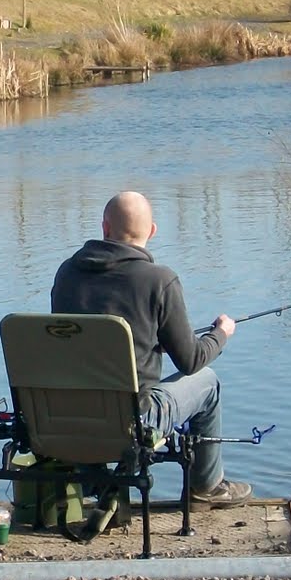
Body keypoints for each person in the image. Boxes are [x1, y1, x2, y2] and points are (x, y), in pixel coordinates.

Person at [50, 190, 251, 505]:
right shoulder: (159, 280)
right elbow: (191, 360)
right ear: (153, 231)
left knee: (91, 388)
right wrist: (221, 334)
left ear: (104, 228)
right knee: (208, 381)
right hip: (135, 422)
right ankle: (206, 487)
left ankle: (96, 480)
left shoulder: (66, 274)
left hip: (68, 418)